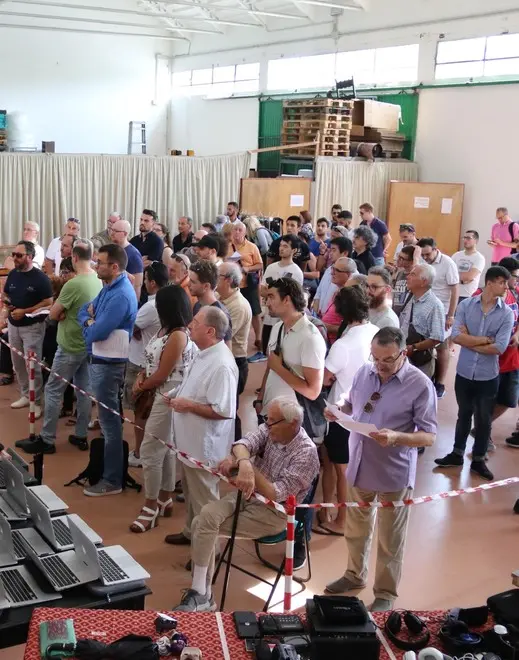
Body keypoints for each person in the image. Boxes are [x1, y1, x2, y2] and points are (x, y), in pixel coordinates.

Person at [325, 327, 437, 611]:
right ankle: (354, 575)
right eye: (375, 358)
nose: (379, 365)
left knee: (390, 539)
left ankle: (386, 592)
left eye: (387, 360)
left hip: (393, 472)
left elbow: (429, 435)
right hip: (359, 465)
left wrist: (397, 437)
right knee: (356, 528)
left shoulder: (420, 385)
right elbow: (351, 402)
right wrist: (338, 407)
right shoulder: (365, 372)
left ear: (403, 353)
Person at [173, 396, 319, 612]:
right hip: (247, 496)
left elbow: (274, 493)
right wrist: (242, 463)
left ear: (293, 424)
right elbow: (243, 444)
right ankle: (202, 594)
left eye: (272, 422)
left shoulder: (306, 454)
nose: (266, 426)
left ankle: (201, 594)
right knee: (206, 516)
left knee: (201, 524)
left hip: (274, 514)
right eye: (266, 420)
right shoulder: (272, 428)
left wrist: (249, 468)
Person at [255, 277, 326, 570]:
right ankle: (273, 528)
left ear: (287, 300)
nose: (267, 302)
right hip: (273, 416)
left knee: (300, 486)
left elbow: (312, 389)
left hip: (297, 421)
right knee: (273, 474)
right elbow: (272, 368)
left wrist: (278, 368)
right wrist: (261, 395)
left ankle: (299, 543)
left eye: (271, 297)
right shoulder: (279, 329)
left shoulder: (309, 336)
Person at [15, 240, 102, 455]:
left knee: (54, 389)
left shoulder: (74, 284)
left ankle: (46, 439)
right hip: (88, 344)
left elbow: (53, 314)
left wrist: (61, 314)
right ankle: (81, 435)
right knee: (83, 391)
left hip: (70, 345)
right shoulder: (97, 280)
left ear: (73, 257)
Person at [165, 306, 238, 547]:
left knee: (205, 502)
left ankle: (210, 550)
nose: (190, 324)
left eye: (195, 322)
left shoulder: (222, 365)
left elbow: (223, 410)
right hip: (188, 442)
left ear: (210, 330)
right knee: (191, 496)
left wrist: (187, 405)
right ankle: (190, 532)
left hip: (203, 448)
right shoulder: (202, 352)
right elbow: (192, 383)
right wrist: (176, 394)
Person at [434, 266, 514, 481]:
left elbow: (500, 347)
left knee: (484, 418)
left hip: (488, 375)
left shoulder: (506, 313)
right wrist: (486, 339)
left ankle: (478, 458)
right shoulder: (467, 305)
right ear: (489, 283)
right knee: (463, 415)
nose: (506, 286)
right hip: (465, 373)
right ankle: (457, 453)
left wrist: (473, 342)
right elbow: (457, 336)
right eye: (502, 282)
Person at [130, 285, 196, 533]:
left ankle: (150, 507)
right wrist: (140, 376)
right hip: (157, 390)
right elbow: (151, 361)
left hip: (168, 395)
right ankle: (165, 497)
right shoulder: (165, 329)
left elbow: (163, 374)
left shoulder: (178, 335)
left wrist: (140, 387)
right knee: (166, 448)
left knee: (149, 449)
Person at [317, 286, 378, 535]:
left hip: (342, 413)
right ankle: (324, 508)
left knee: (341, 468)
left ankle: (342, 519)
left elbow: (325, 378)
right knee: (331, 462)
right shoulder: (375, 332)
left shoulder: (343, 344)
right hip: (368, 408)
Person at [78, 244, 138, 497]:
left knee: (110, 425)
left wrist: (91, 324)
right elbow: (84, 311)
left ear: (114, 266)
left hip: (110, 366)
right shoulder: (108, 289)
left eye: (100, 262)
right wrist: (90, 321)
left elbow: (96, 332)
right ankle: (108, 473)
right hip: (101, 361)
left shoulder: (120, 296)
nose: (95, 265)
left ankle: (112, 480)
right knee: (106, 422)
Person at [471, 256, 519, 453]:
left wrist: (516, 334)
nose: (517, 281)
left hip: (511, 358)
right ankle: (483, 434)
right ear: (502, 277)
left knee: (508, 399)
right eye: (515, 277)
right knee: (484, 399)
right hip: (487, 358)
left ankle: (482, 427)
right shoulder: (478, 297)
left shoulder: (516, 294)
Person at [124, 262, 169, 468]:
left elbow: (130, 326)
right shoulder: (163, 301)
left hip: (140, 362)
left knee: (140, 412)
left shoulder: (151, 306)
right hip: (150, 360)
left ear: (151, 283)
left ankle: (140, 452)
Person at [3, 241, 53, 416]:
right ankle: (26, 394)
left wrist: (25, 311)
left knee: (32, 365)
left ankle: (37, 401)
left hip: (32, 327)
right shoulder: (13, 274)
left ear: (30, 257)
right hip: (13, 325)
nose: (14, 258)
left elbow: (48, 302)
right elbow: (6, 292)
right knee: (18, 364)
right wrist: (8, 306)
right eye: (14, 254)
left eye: (19, 255)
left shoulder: (41, 278)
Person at [417, 237, 459, 398]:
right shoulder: (421, 260)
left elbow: (455, 289)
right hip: (424, 308)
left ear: (436, 249)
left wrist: (451, 315)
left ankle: (440, 383)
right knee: (422, 342)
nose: (426, 257)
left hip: (442, 311)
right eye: (423, 255)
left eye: (428, 254)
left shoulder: (448, 263)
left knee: (441, 346)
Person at [252, 234, 304, 363]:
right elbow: (262, 289)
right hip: (270, 317)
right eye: (281, 245)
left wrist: (271, 293)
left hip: (284, 318)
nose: (281, 249)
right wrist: (274, 294)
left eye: (286, 246)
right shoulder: (271, 267)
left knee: (282, 352)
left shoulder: (296, 271)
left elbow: (293, 296)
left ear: (294, 250)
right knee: (267, 349)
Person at [217, 262, 252, 440]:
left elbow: (221, 335)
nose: (215, 278)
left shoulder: (238, 306)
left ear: (229, 280)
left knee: (229, 411)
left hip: (236, 361)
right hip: (226, 358)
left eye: (219, 276)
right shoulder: (221, 298)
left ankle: (235, 451)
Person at [400, 264, 445, 380]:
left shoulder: (435, 305)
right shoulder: (411, 297)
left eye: (413, 274)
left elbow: (437, 337)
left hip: (420, 361)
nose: (408, 277)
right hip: (405, 356)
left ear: (423, 282)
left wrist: (413, 347)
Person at [231, 221, 263, 351]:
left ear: (245, 232)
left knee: (255, 311)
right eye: (235, 230)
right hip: (233, 284)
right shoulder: (228, 246)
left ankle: (259, 338)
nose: (237, 232)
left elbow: (260, 265)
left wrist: (247, 268)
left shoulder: (252, 247)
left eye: (240, 230)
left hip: (248, 283)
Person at [188, 259, 232, 344]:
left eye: (193, 282)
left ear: (206, 286)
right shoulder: (198, 305)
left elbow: (226, 347)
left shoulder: (220, 314)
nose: (188, 284)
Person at [313, 237, 358, 317]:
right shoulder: (329, 270)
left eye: (334, 250)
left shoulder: (353, 276)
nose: (330, 253)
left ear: (344, 253)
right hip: (320, 318)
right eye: (330, 250)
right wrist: (316, 313)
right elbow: (319, 292)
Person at [321, 257, 359, 343]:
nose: (332, 273)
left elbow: (351, 328)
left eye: (336, 270)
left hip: (337, 343)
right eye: (332, 268)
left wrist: (324, 325)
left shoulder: (351, 298)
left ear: (348, 274)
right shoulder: (337, 290)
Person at [110, 219, 144, 299]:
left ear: (125, 233)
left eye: (115, 231)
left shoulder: (133, 254)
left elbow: (137, 285)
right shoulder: (114, 249)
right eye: (111, 230)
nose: (111, 233)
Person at [452, 230, 486, 302]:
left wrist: (455, 277)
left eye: (468, 238)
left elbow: (469, 276)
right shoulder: (456, 255)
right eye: (464, 238)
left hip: (468, 295)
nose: (465, 240)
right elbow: (448, 273)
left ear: (476, 241)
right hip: (453, 293)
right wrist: (462, 280)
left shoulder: (479, 258)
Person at [392, 245, 416, 318]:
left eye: (402, 258)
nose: (398, 259)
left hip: (406, 315)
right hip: (395, 311)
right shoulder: (400, 273)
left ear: (411, 261)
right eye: (398, 256)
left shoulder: (414, 276)